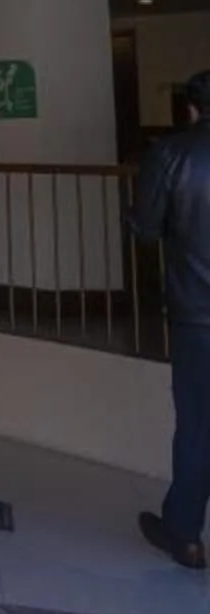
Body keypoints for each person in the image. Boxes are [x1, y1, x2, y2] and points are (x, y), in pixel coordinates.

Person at [135, 68, 210, 569]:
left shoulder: (172, 152)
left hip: (197, 315)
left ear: (191, 108)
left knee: (197, 426)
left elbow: (144, 227)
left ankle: (184, 534)